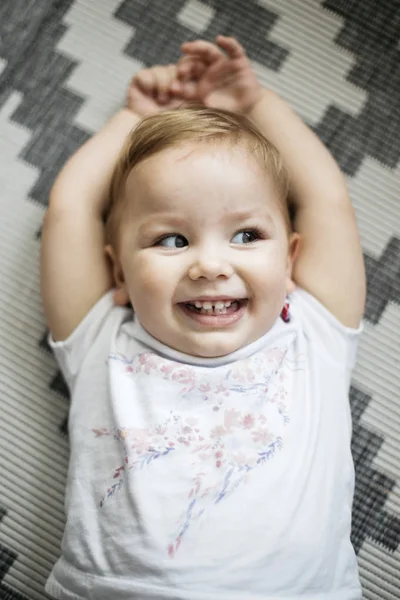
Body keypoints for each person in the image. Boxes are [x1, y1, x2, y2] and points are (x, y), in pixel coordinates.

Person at [40, 35, 366, 599]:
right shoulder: (103, 340)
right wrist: (133, 121)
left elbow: (326, 201)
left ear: (291, 259)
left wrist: (254, 103)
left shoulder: (314, 333)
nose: (210, 264)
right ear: (118, 274)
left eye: (246, 234)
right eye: (171, 239)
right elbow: (71, 209)